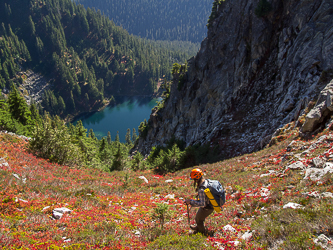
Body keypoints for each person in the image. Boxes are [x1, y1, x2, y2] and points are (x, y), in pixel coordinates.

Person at [185, 168, 214, 235]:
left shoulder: (201, 189)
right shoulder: (206, 181)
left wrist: (190, 202)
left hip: (208, 207)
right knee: (198, 216)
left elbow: (202, 204)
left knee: (199, 219)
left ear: (196, 179)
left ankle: (201, 232)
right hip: (211, 203)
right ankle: (198, 227)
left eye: (194, 179)